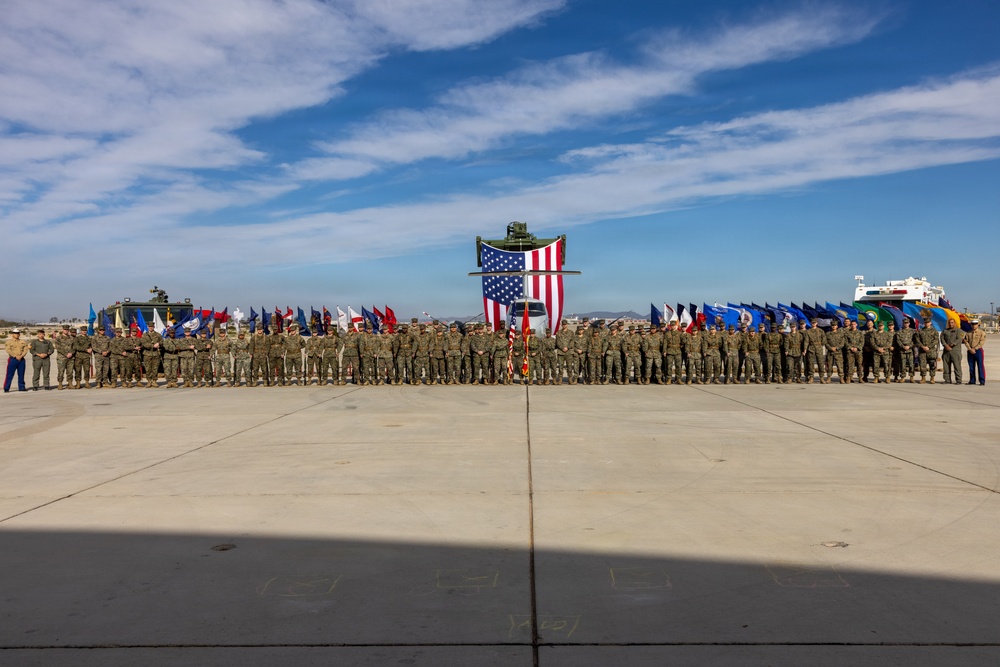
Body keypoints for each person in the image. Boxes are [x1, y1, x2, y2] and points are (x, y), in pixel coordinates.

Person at [939, 319, 964, 384]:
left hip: (955, 351)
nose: (951, 324)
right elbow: (942, 338)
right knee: (946, 366)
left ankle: (958, 380)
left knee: (957, 366)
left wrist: (953, 344)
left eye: (952, 322)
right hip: (946, 351)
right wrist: (945, 345)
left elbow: (960, 339)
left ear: (955, 323)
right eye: (949, 323)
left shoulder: (959, 331)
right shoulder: (945, 331)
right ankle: (947, 380)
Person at [964, 320, 986, 385]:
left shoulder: (981, 333)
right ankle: (972, 380)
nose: (974, 325)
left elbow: (982, 342)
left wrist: (975, 348)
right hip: (970, 351)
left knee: (980, 366)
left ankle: (982, 380)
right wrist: (970, 349)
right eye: (972, 324)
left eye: (975, 324)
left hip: (978, 351)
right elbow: (966, 341)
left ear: (978, 325)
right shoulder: (968, 333)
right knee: (971, 366)